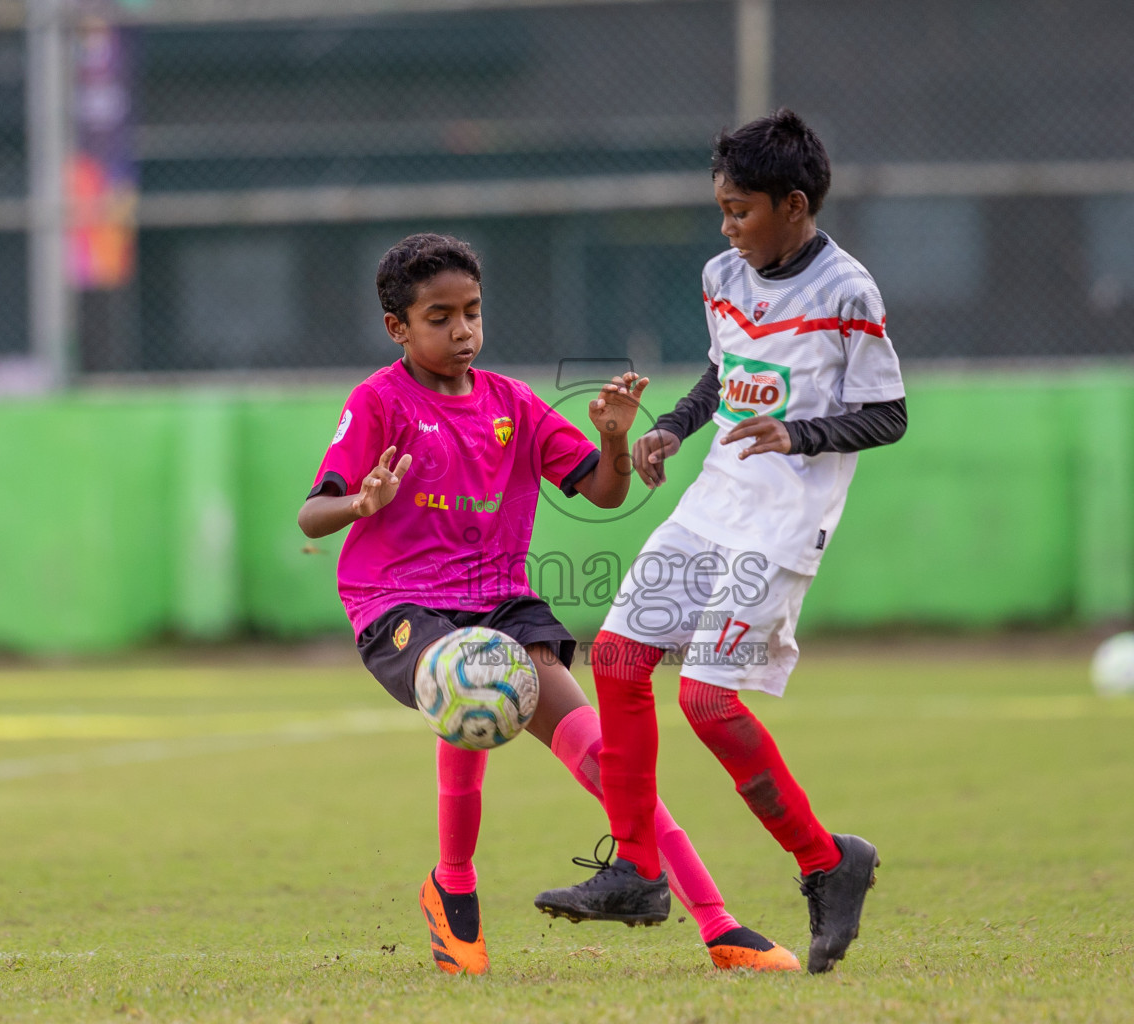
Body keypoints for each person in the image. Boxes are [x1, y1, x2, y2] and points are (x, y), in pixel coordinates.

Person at [297, 232, 798, 975]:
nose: (462, 330)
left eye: (471, 311)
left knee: (608, 763)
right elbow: (313, 515)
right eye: (439, 317)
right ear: (397, 327)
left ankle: (720, 927)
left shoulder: (514, 405)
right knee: (470, 677)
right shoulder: (377, 402)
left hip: (501, 605)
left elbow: (604, 488)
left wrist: (615, 440)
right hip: (399, 606)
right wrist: (358, 503)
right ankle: (457, 888)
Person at [532, 111, 908, 974]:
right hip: (711, 507)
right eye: (722, 210)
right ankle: (635, 867)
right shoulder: (722, 274)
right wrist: (670, 429)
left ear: (795, 204)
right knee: (620, 659)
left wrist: (799, 436)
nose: (728, 226)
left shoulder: (849, 291)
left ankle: (825, 860)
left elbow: (889, 414)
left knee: (706, 702)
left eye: (741, 210)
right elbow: (721, 371)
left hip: (781, 524)